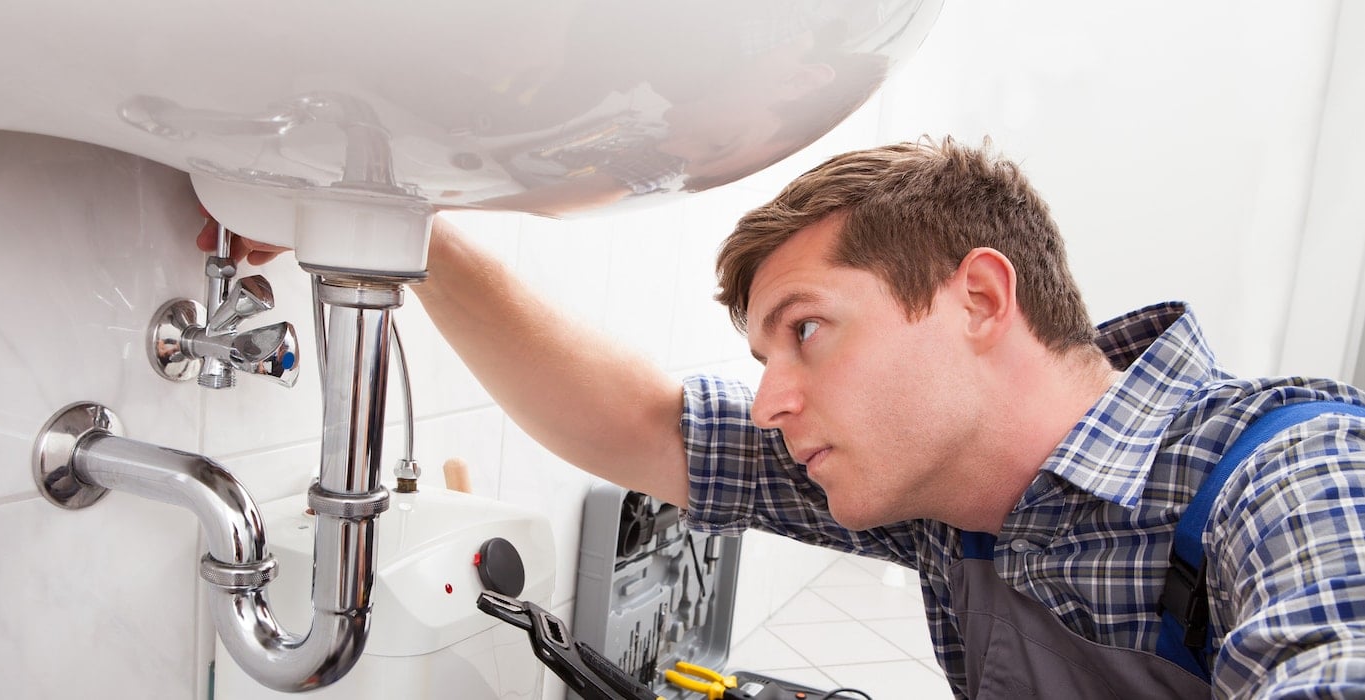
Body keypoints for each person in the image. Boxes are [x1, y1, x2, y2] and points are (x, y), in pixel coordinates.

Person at [199, 137, 1365, 698]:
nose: (771, 397)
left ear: (977, 298)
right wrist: (401, 234)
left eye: (805, 330)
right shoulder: (945, 506)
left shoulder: (1294, 473)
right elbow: (651, 426)